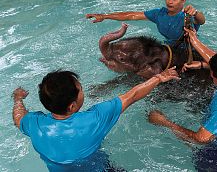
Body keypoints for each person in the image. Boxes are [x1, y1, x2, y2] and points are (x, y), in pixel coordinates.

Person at [12, 68, 179, 171]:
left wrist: (18, 99)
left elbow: (18, 118)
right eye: (80, 90)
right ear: (71, 106)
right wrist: (159, 78)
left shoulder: (34, 124)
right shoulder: (94, 120)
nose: (83, 91)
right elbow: (132, 95)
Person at [148, 51, 217, 171]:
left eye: (213, 76)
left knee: (203, 163)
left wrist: (164, 122)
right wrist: (201, 65)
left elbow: (200, 139)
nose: (210, 76)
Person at [86, 0, 205, 46]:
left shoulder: (187, 16)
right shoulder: (159, 14)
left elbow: (201, 20)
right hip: (168, 48)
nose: (169, 1)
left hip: (189, 50)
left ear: (183, 0)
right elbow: (131, 15)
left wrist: (195, 12)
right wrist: (105, 16)